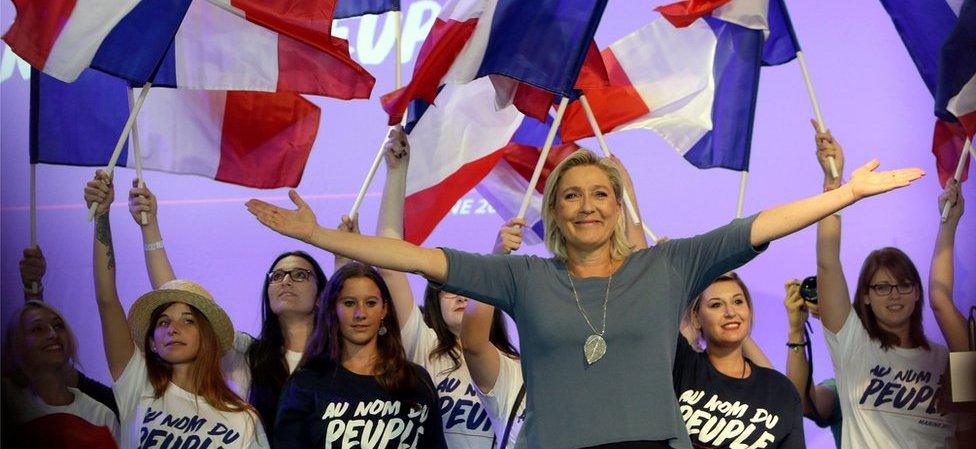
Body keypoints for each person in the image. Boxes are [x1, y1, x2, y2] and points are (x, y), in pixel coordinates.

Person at [246, 143, 923, 448]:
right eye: (572, 195)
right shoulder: (526, 277)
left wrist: (844, 193)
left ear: (617, 203)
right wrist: (324, 237)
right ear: (554, 211)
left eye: (602, 193)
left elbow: (760, 223)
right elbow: (419, 257)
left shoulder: (668, 265)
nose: (589, 205)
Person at [334, 126, 522, 448]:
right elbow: (391, 263)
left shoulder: (514, 366)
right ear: (434, 300)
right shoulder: (424, 345)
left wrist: (497, 261)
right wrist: (397, 173)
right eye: (450, 289)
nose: (462, 294)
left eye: (471, 289)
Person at [127, 179, 328, 434]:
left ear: (322, 295)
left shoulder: (341, 356)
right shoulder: (248, 354)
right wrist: (150, 226)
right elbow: (176, 296)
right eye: (276, 276)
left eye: (299, 275)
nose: (286, 281)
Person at [86, 171, 269, 449]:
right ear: (152, 343)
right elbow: (107, 300)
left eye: (188, 321)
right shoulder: (137, 384)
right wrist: (102, 215)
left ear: (207, 335)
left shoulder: (242, 418)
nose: (173, 328)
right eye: (162, 323)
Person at [811, 121, 962, 448]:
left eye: (904, 284)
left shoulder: (947, 359)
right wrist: (834, 183)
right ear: (864, 296)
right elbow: (827, 262)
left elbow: (943, 299)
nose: (894, 295)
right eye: (882, 287)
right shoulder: (852, 345)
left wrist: (950, 221)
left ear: (916, 292)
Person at [273, 262, 448, 449]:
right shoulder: (305, 384)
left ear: (384, 310)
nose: (360, 313)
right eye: (349, 303)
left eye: (371, 303)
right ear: (333, 309)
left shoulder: (415, 380)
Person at [675, 273, 805, 449]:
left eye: (738, 302)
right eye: (716, 305)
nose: (730, 312)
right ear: (696, 318)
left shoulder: (779, 390)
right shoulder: (680, 368)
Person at [2, 286, 121, 449]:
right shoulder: (10, 405)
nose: (53, 334)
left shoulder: (101, 414)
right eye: (38, 329)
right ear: (17, 344)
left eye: (58, 326)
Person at [783, 280, 843, 448]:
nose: (894, 296)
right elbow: (802, 402)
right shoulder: (848, 388)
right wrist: (796, 330)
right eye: (882, 288)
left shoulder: (922, 368)